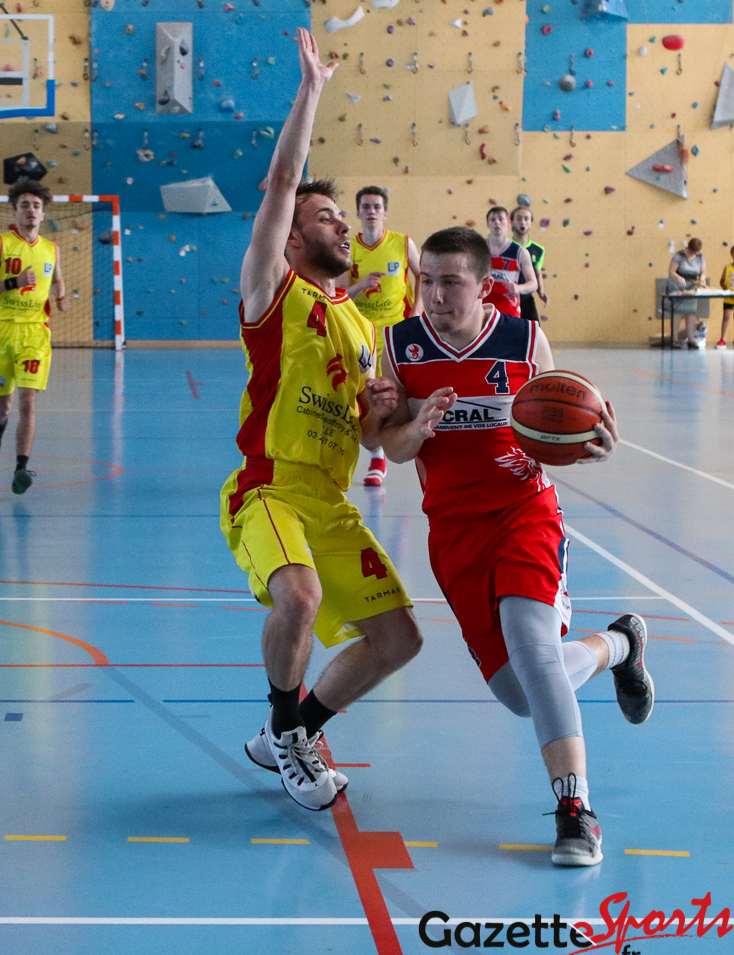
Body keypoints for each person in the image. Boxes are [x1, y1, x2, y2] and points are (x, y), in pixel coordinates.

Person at [377, 225, 654, 867]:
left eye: (451, 283)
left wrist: (591, 446)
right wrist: (418, 427)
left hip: (524, 513)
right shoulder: (399, 346)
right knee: (521, 693)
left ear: (483, 286)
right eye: (427, 281)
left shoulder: (524, 341)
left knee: (531, 646)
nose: (435, 295)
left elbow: (563, 434)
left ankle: (575, 809)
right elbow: (390, 446)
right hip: (454, 531)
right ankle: (621, 644)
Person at [222, 28, 422, 813]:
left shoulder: (361, 327)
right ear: (295, 236)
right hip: (269, 488)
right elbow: (280, 183)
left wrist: (389, 417)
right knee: (299, 598)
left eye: (344, 216)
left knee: (400, 639)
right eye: (328, 216)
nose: (343, 225)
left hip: (330, 500)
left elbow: (372, 439)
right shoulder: (271, 292)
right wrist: (311, 90)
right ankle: (290, 737)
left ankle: (291, 730)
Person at [0, 179, 68, 495]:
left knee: (28, 402)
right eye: (24, 205)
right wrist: (13, 282)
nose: (31, 210)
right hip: (2, 331)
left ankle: (21, 468)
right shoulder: (0, 244)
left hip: (35, 334)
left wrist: (61, 296)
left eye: (36, 206)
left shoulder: (51, 249)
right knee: (3, 404)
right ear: (15, 211)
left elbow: (57, 279)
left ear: (43, 214)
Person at [345, 184, 420, 488]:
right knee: (367, 398)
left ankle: (393, 454)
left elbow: (422, 275)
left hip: (395, 333)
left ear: (385, 212)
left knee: (398, 397)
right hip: (361, 333)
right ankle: (375, 454)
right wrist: (360, 285)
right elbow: (340, 294)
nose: (372, 211)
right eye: (366, 206)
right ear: (358, 212)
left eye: (377, 206)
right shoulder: (349, 248)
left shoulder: (403, 243)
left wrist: (417, 313)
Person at [482, 206, 537, 319]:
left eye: (500, 219)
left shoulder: (520, 252)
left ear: (509, 222)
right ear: (488, 224)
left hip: (509, 311)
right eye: (493, 219)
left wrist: (518, 288)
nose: (497, 222)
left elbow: (533, 284)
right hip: (483, 310)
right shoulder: (478, 249)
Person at [510, 205, 548, 325]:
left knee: (534, 329)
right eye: (519, 218)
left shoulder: (538, 249)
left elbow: (537, 272)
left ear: (531, 223)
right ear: (512, 222)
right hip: (507, 297)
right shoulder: (505, 246)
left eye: (526, 219)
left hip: (526, 297)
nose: (523, 222)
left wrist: (541, 292)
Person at [666, 238, 708, 349]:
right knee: (677, 313)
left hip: (692, 287)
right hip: (678, 286)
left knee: (691, 313)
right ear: (689, 248)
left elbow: (703, 272)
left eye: (697, 251)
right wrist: (679, 278)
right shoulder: (679, 255)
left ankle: (691, 339)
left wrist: (702, 279)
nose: (695, 253)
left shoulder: (700, 257)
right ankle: (674, 339)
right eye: (693, 251)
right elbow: (671, 272)